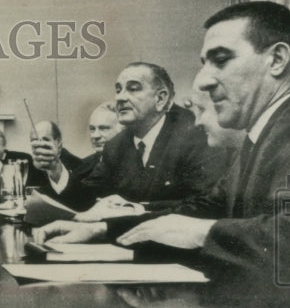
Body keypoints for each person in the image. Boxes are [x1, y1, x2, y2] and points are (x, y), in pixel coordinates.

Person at [35, 1, 290, 293]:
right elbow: (205, 208)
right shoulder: (265, 134)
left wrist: (202, 232)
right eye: (204, 64)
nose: (203, 80)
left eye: (221, 59)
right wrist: (101, 229)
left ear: (277, 59)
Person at [34, 62, 222, 211]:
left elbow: (206, 204)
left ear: (160, 98)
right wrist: (56, 169)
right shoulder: (116, 146)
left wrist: (136, 209)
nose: (120, 98)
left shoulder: (196, 134)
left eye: (133, 88)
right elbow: (88, 198)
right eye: (118, 90)